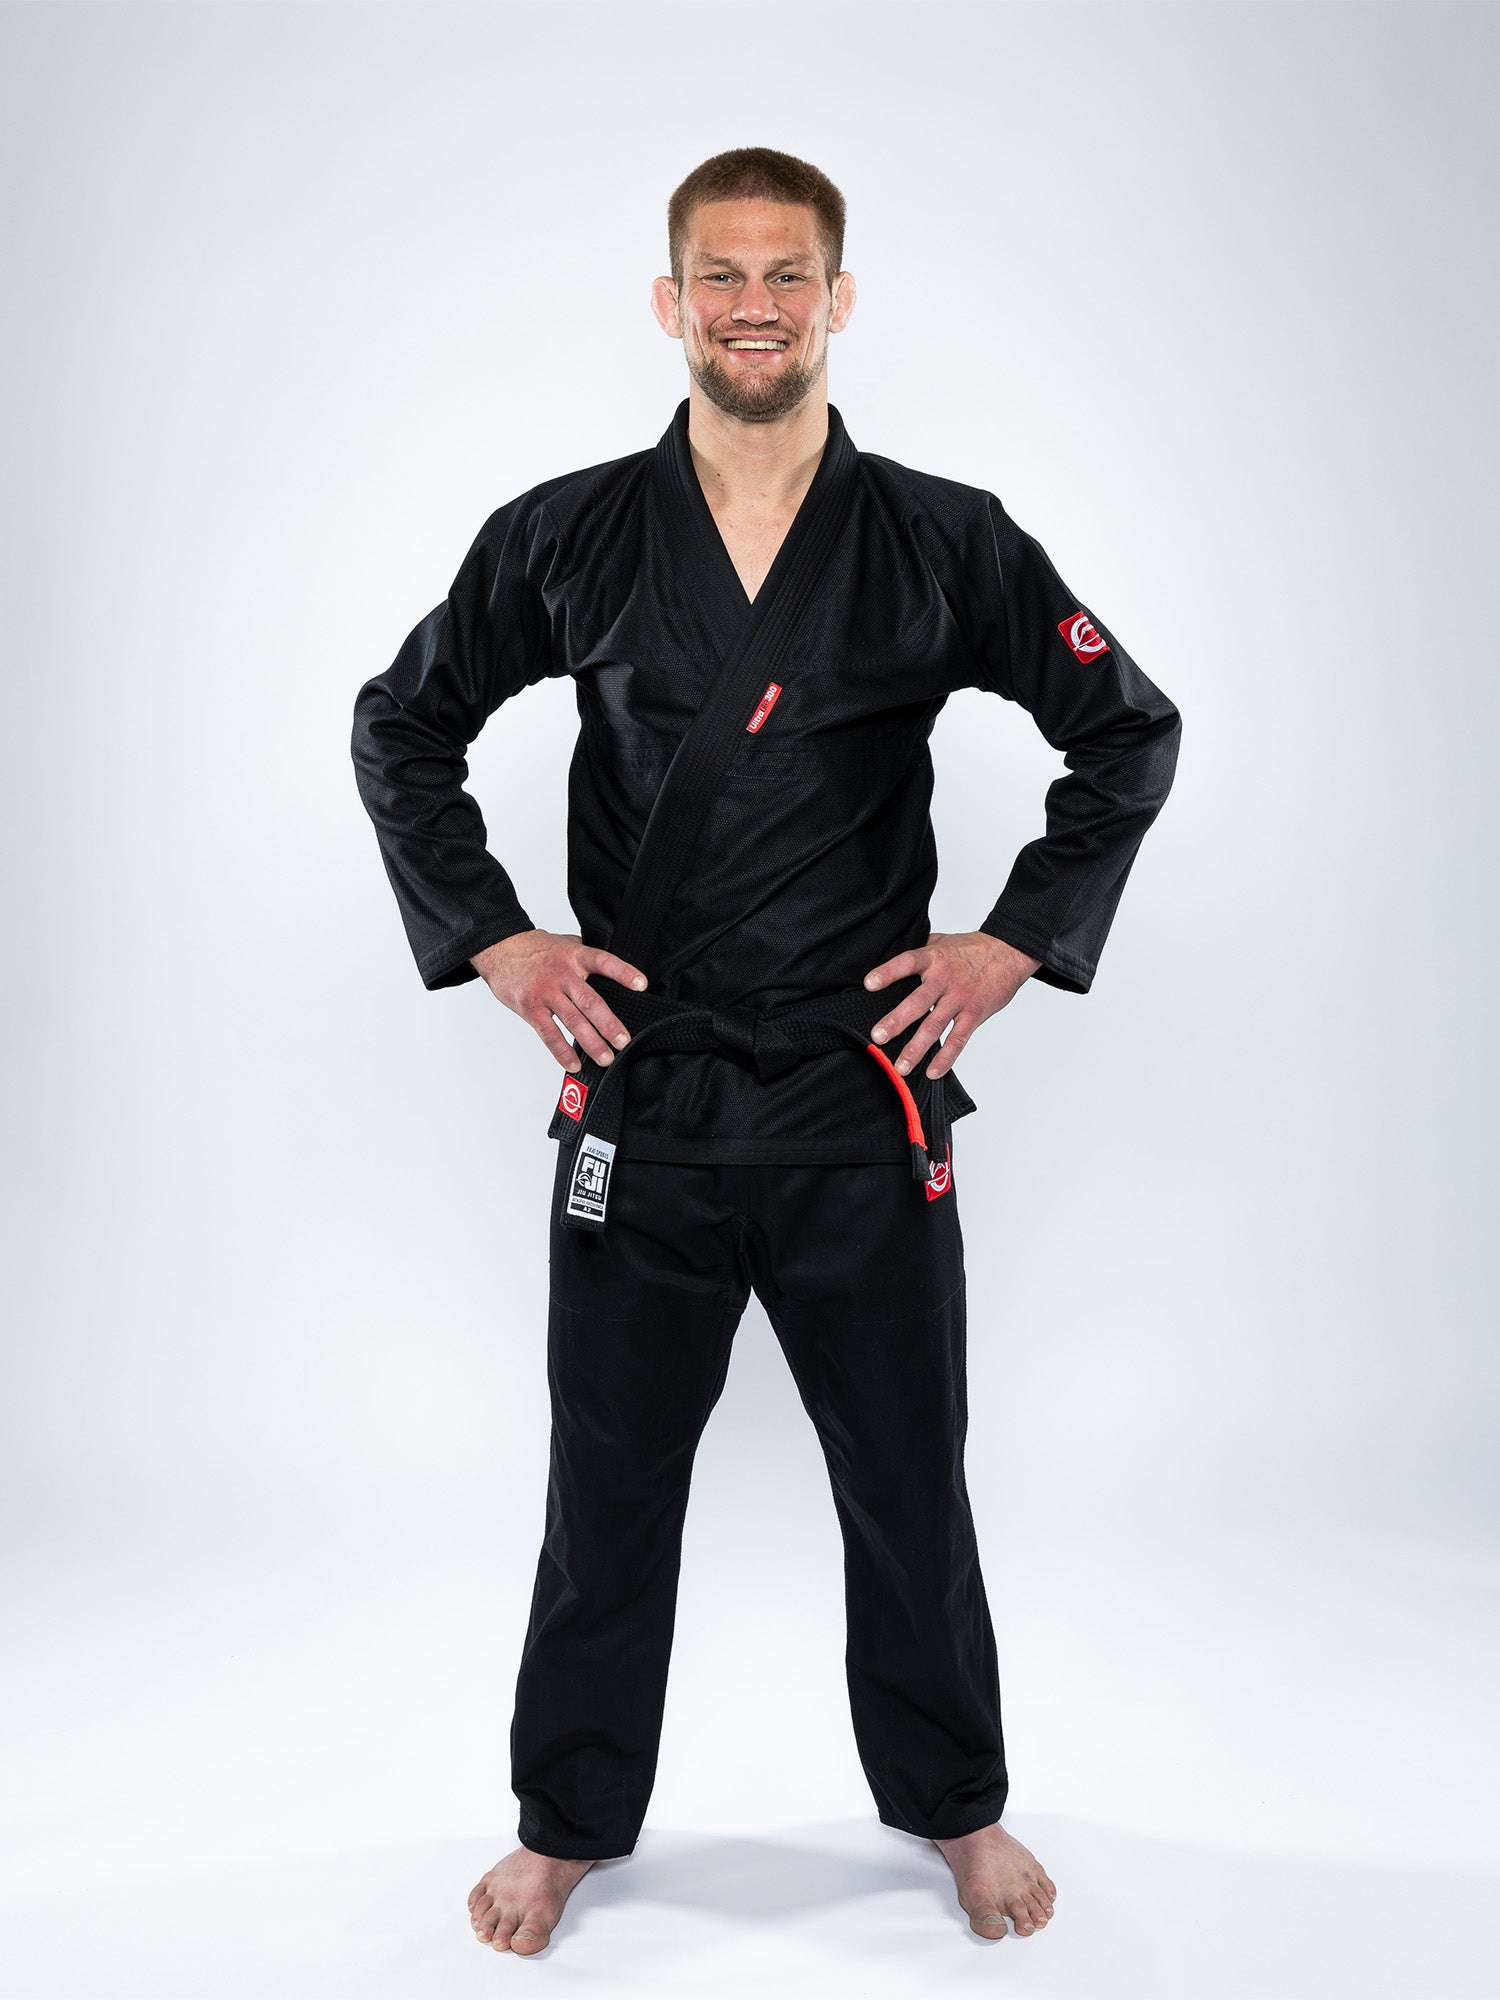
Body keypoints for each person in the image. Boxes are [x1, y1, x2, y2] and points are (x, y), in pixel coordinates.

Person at [350, 145, 1181, 1954]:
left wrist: (1014, 938)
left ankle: (957, 1810)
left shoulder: (942, 536)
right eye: (719, 276)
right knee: (609, 1487)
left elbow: (1127, 733)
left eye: (786, 276)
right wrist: (493, 934)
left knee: (906, 1481)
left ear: (836, 298)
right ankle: (569, 1822)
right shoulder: (565, 531)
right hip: (640, 1102)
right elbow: (400, 723)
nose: (752, 305)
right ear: (670, 301)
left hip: (855, 1096)